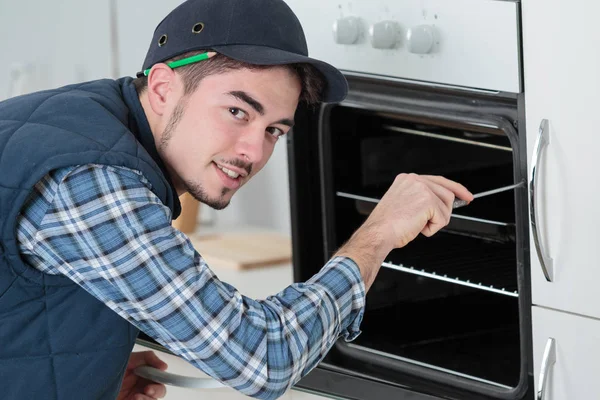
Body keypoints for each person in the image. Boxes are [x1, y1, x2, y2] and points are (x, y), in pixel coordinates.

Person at [0, 0, 473, 399]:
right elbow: (263, 357)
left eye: (274, 130)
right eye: (236, 111)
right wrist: (378, 234)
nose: (253, 151)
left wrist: (84, 363)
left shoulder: (76, 119)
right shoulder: (93, 180)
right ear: (164, 87)